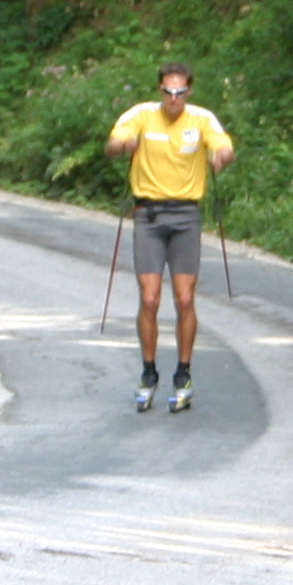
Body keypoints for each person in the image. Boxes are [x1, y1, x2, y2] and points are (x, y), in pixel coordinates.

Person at [102, 61, 235, 412]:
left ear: (189, 91)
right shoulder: (141, 115)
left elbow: (224, 147)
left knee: (185, 298)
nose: (173, 98)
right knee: (149, 299)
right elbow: (112, 144)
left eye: (180, 91)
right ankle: (148, 373)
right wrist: (123, 146)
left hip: (186, 216)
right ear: (159, 90)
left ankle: (183, 373)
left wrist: (221, 157)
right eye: (167, 91)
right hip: (148, 216)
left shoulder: (201, 119)